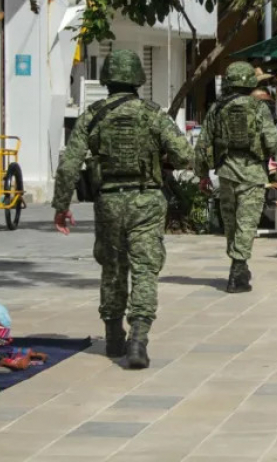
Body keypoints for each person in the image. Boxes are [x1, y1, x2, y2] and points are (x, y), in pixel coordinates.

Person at [51, 50, 193, 369]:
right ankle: (138, 340)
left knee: (113, 268)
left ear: (107, 78)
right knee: (145, 268)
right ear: (137, 79)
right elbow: (185, 155)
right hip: (148, 200)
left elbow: (69, 163)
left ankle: (114, 337)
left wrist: (61, 205)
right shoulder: (153, 114)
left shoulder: (93, 115)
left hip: (109, 200)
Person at [194, 62, 277, 294]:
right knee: (247, 222)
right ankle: (238, 269)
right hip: (252, 173)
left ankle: (238, 265)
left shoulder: (216, 109)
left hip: (226, 172)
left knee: (231, 222)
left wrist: (202, 175)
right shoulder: (259, 108)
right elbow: (273, 142)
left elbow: (203, 145)